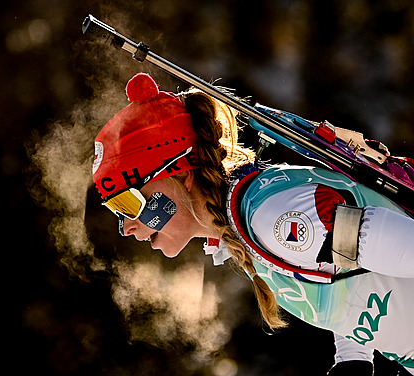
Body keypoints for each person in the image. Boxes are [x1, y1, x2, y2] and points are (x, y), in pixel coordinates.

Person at [91, 72, 414, 375]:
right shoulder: (242, 228)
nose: (127, 226)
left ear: (182, 175)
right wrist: (351, 359)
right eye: (116, 208)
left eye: (130, 202)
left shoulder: (273, 217)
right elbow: (346, 279)